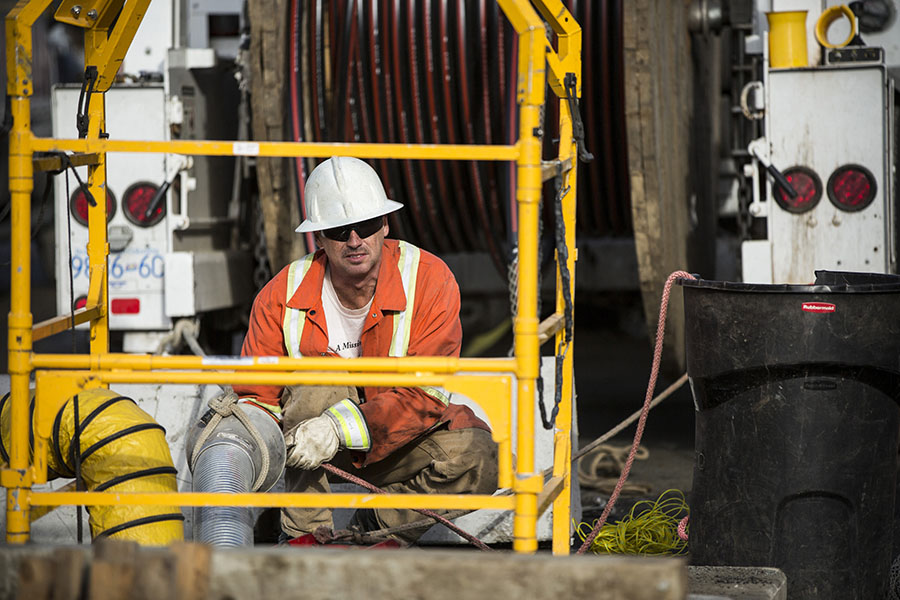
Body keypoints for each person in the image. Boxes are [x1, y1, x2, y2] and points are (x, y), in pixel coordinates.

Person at [234, 156, 498, 543]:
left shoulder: (428, 279)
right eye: (340, 231)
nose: (355, 240)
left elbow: (426, 396)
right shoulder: (281, 294)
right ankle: (304, 539)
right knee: (316, 382)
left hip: (394, 440)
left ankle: (376, 530)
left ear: (385, 225)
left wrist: (339, 429)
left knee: (479, 456)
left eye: (368, 225)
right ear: (319, 238)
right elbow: (255, 399)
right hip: (308, 454)